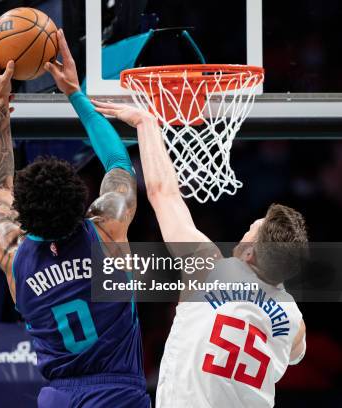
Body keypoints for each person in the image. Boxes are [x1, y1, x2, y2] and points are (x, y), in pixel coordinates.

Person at [93, 100, 308, 408]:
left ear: (250, 254)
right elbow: (297, 349)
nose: (244, 233)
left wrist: (146, 124)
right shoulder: (292, 316)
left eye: (250, 230)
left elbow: (162, 193)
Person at [0, 30, 150, 408]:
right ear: (83, 201)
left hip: (58, 396)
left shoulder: (11, 251)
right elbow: (119, 163)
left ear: (22, 215)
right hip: (117, 391)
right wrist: (75, 93)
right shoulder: (107, 226)